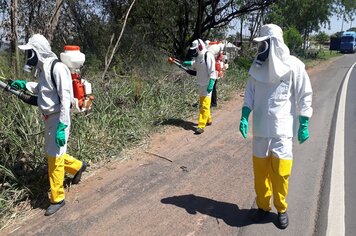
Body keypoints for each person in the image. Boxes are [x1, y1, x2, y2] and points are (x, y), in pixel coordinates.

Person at [239, 24, 313, 229]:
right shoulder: (257, 66)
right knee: (260, 172)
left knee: (280, 173)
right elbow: (250, 94)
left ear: (274, 43)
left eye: (263, 44)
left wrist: (304, 121)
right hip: (261, 129)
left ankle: (281, 208)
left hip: (283, 130)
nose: (260, 48)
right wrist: (245, 115)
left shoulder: (294, 65)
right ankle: (263, 207)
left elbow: (304, 94)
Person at [11, 34, 87, 216]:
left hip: (59, 117)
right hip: (49, 117)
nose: (29, 56)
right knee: (53, 152)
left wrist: (62, 125)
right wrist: (24, 85)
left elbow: (66, 99)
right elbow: (42, 90)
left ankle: (57, 198)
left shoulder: (58, 68)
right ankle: (77, 166)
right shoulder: (43, 68)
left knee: (54, 157)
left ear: (38, 51)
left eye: (30, 52)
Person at [182, 39, 217, 134]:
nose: (195, 51)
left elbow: (213, 72)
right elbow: (196, 64)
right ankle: (208, 119)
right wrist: (188, 63)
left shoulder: (208, 55)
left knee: (204, 105)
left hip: (207, 84)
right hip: (200, 83)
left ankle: (201, 125)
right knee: (203, 103)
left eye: (196, 49)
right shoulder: (199, 57)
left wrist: (211, 84)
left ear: (200, 47)